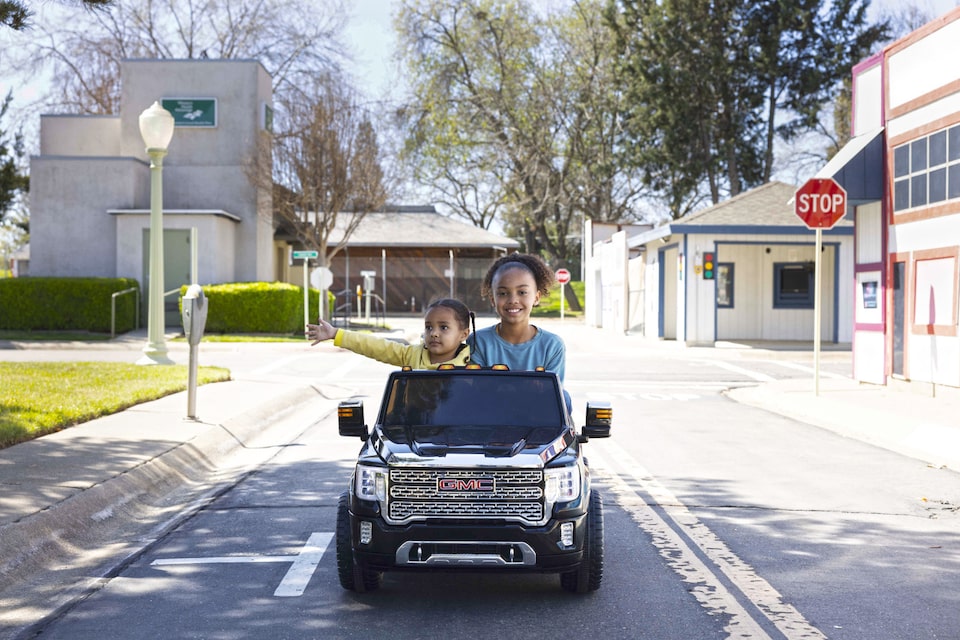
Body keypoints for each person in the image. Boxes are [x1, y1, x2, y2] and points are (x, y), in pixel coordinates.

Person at [470, 253, 565, 382]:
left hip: (535, 403)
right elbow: (478, 390)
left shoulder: (552, 345)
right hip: (491, 403)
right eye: (503, 293)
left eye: (522, 292)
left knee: (565, 397)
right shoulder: (478, 342)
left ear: (536, 297)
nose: (513, 300)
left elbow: (552, 396)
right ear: (493, 299)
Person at [306, 297, 471, 369]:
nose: (434, 333)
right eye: (428, 327)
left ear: (464, 334)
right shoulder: (411, 356)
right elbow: (375, 347)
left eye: (443, 327)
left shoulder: (474, 363)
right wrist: (336, 334)